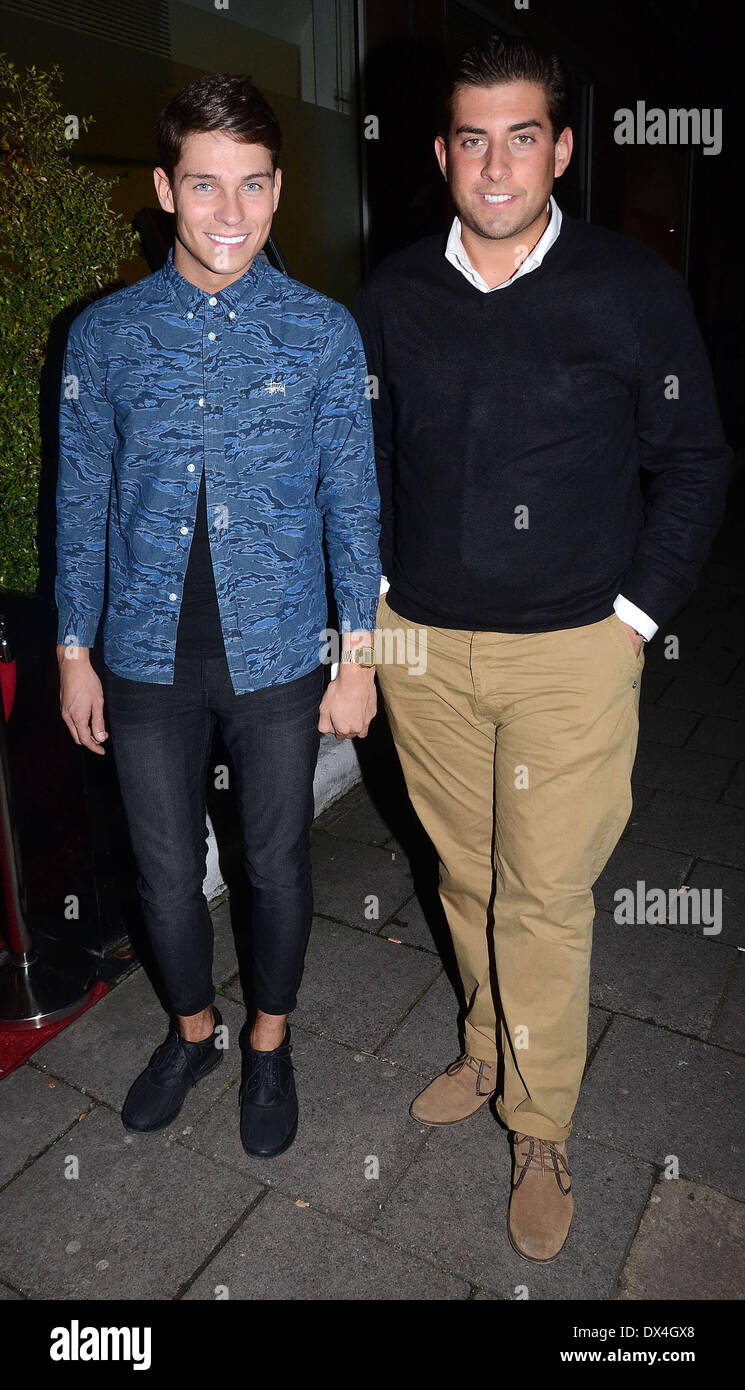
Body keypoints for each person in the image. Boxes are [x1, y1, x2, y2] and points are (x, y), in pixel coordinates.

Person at [352, 33, 730, 1261]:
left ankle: (541, 1117)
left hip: (572, 651)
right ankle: (482, 1043)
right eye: (473, 136)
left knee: (545, 896)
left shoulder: (632, 289)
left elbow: (692, 463)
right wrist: (370, 618)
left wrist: (630, 623)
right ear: (442, 151)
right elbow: (357, 466)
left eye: (524, 135)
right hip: (423, 649)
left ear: (561, 149)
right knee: (465, 878)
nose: (497, 162)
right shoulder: (395, 292)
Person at [55, 73, 381, 1159]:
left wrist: (361, 659)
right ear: (165, 187)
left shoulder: (322, 334)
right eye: (204, 185)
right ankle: (194, 1033)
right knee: (160, 872)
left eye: (250, 186)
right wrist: (71, 648)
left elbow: (353, 502)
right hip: (143, 659)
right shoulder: (104, 337)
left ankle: (270, 1042)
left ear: (278, 189)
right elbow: (81, 502)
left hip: (282, 652)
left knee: (277, 865)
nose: (229, 213)